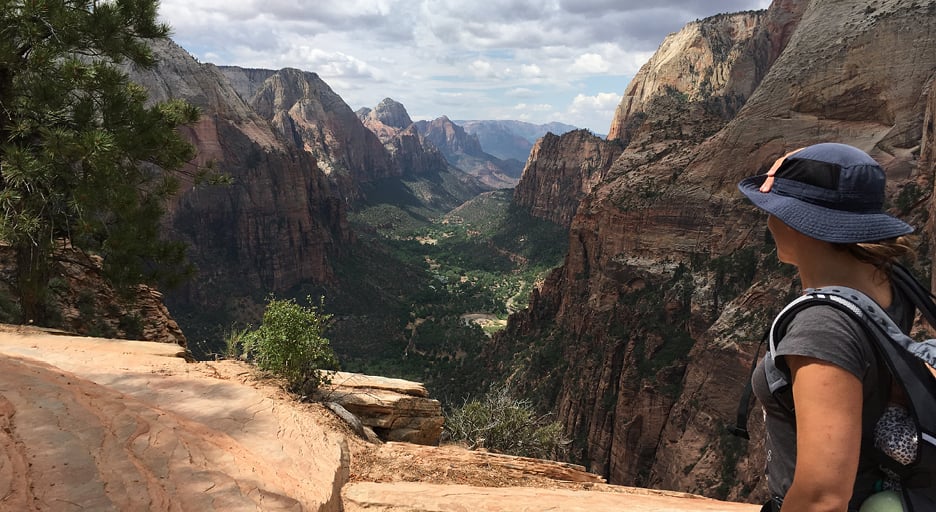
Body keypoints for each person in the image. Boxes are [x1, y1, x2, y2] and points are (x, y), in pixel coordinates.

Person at [737, 142, 918, 512]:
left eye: (773, 209)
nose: (768, 221)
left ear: (798, 221)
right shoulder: (891, 284)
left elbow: (823, 497)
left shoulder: (822, 326)